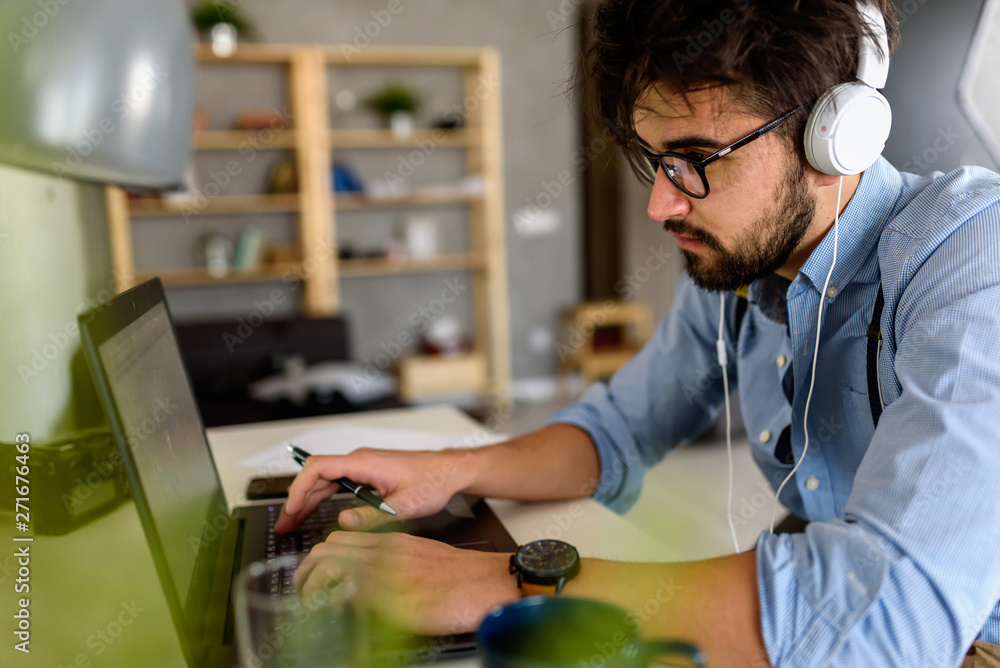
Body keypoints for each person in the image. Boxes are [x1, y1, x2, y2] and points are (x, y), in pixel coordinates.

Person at [276, 1, 1000, 665]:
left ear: (834, 135)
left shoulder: (975, 259)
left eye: (694, 161)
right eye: (656, 160)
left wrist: (507, 584)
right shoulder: (743, 269)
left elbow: (883, 615)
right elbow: (616, 428)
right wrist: (452, 469)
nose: (660, 204)